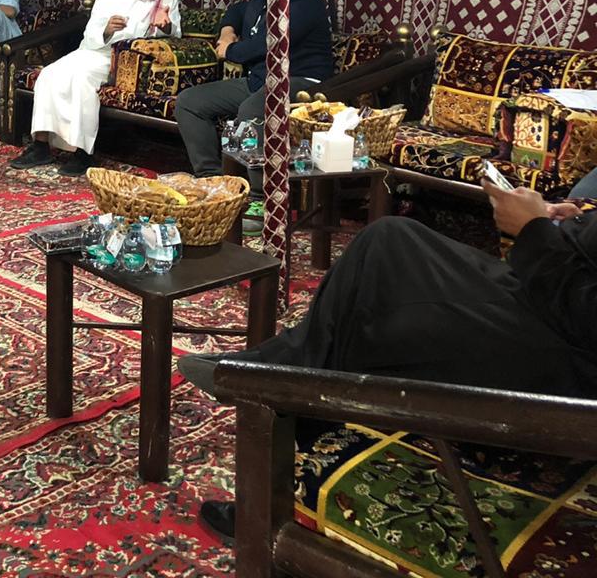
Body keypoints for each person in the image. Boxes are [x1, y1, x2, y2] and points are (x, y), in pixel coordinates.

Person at [181, 179, 597, 541]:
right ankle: (273, 374)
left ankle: (274, 457)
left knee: (376, 302)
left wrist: (534, 229)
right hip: (553, 295)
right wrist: (578, 218)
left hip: (567, 358)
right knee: (388, 242)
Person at [175, 0, 333, 223]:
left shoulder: (303, 1)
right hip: (260, 82)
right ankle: (213, 181)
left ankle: (262, 199)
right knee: (189, 102)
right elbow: (235, 11)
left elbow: (270, 43)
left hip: (302, 84)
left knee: (252, 109)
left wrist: (230, 51)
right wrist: (227, 31)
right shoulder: (260, 2)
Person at [11, 0, 181, 176]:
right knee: (49, 75)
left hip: (124, 60)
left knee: (82, 81)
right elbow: (91, 31)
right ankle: (40, 146)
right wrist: (107, 29)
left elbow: (176, 34)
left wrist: (166, 26)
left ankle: (82, 154)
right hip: (94, 50)